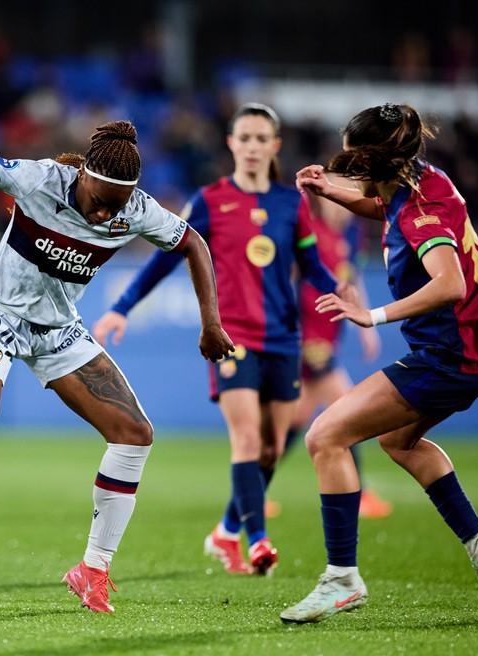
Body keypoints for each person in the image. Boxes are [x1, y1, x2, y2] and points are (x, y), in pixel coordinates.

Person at [0, 121, 234, 614]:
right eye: (100, 199)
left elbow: (194, 242)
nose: (107, 213)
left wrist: (210, 323)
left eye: (116, 205)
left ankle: (93, 570)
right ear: (82, 176)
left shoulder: (136, 210)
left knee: (134, 433)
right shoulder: (39, 179)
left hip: (57, 331)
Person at [92, 104, 346, 576]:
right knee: (246, 437)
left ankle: (227, 531)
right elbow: (166, 257)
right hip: (232, 336)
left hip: (283, 338)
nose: (251, 147)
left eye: (260, 139)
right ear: (231, 143)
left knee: (271, 447)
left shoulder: (293, 205)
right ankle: (259, 541)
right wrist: (122, 307)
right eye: (243, 138)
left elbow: (312, 267)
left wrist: (342, 293)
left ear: (275, 146)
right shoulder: (210, 200)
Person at [281, 103, 478, 623]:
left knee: (325, 436)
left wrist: (371, 315)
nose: (342, 162)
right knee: (397, 441)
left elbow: (448, 282)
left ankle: (342, 578)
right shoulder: (425, 181)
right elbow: (381, 205)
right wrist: (329, 189)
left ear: (371, 162)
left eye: (349, 157)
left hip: (448, 357)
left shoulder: (417, 213)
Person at [283, 192, 392, 520]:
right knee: (347, 411)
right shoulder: (309, 232)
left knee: (296, 419)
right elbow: (290, 281)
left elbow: (352, 278)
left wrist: (367, 327)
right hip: (309, 340)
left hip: (329, 337)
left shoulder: (349, 234)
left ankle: (251, 493)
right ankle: (360, 493)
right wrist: (294, 333)